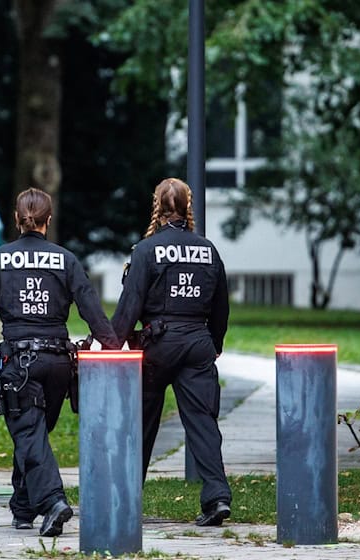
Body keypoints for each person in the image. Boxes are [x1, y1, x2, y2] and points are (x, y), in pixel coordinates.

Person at [0, 187, 121, 537]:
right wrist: (113, 344)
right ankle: (22, 509)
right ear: (48, 221)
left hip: (19, 365)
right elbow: (91, 309)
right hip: (58, 364)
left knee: (28, 434)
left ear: (17, 219)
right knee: (33, 434)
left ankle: (53, 501)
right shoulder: (65, 260)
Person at [111, 178, 233, 527]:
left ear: (157, 206)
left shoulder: (147, 250)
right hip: (197, 343)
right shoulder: (208, 249)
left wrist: (111, 344)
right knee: (203, 423)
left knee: (142, 422)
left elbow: (130, 304)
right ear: (187, 205)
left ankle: (126, 497)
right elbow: (221, 306)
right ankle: (217, 497)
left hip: (156, 346)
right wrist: (214, 345)